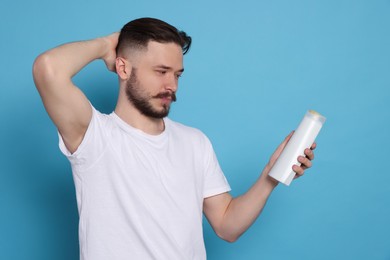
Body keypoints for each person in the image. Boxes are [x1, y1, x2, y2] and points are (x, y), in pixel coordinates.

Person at [33, 17, 316, 260]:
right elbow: (48, 68)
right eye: (160, 72)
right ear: (123, 68)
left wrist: (270, 175)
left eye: (177, 74)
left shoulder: (195, 142)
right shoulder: (94, 136)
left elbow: (227, 226)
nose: (172, 85)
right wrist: (106, 44)